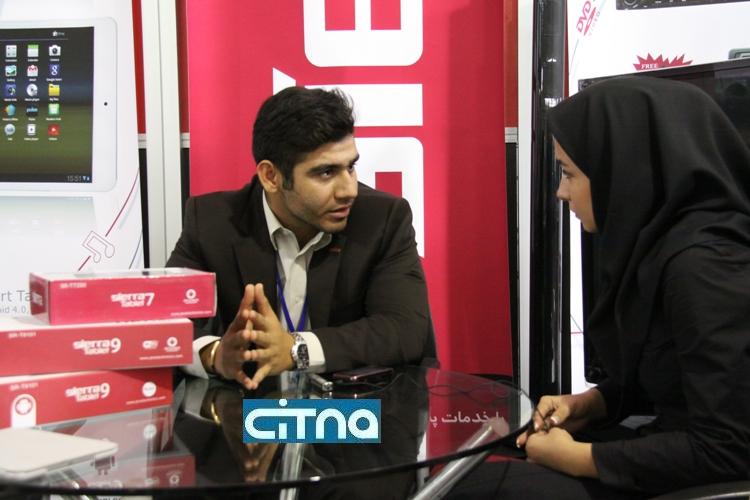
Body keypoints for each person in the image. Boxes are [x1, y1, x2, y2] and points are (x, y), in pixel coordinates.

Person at [451, 77, 750, 499]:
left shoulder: (704, 269)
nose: (561, 192)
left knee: (471, 487)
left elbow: (729, 447)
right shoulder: (662, 250)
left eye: (569, 174)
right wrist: (592, 404)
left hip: (697, 480)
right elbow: (678, 380)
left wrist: (578, 458)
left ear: (626, 173)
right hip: (669, 456)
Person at [167, 86, 435, 390]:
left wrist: (295, 349)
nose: (349, 190)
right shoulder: (212, 222)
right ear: (271, 177)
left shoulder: (382, 219)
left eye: (350, 167)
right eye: (325, 173)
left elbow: (404, 329)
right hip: (250, 411)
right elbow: (168, 324)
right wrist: (216, 355)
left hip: (355, 412)